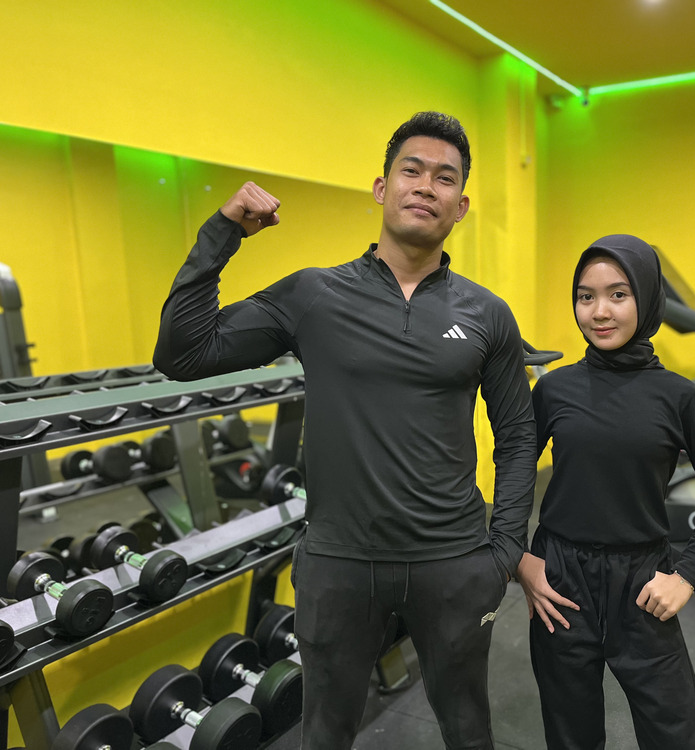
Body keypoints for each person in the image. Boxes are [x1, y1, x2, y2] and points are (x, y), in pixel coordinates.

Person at [153, 111, 536, 750]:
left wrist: (504, 549)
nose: (426, 186)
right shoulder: (314, 295)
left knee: (469, 729)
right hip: (338, 564)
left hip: (454, 562)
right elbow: (182, 352)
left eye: (445, 178)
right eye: (411, 170)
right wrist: (222, 233)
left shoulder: (486, 313)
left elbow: (518, 434)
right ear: (382, 188)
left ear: (461, 206)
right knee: (325, 732)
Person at [516, 235, 695, 750]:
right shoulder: (553, 390)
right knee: (571, 736)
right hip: (561, 580)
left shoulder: (679, 396)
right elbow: (513, 472)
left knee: (676, 734)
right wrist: (518, 558)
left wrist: (686, 576)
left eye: (618, 294)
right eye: (586, 296)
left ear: (646, 298)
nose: (599, 311)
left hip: (642, 582)